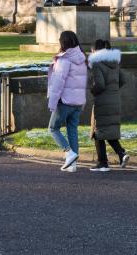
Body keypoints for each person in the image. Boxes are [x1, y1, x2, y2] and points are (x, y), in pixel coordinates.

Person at [46, 30, 88, 172]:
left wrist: (52, 103)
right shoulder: (82, 58)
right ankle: (73, 165)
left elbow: (58, 82)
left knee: (53, 128)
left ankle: (69, 152)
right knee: (72, 130)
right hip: (77, 102)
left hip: (65, 101)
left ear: (63, 42)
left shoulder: (64, 59)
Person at [87, 38, 130, 172]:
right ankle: (122, 154)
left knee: (97, 131)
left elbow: (99, 84)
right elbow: (123, 80)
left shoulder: (97, 64)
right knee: (107, 131)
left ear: (95, 50)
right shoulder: (114, 63)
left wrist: (92, 91)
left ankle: (103, 163)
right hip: (114, 100)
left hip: (103, 101)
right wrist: (113, 91)